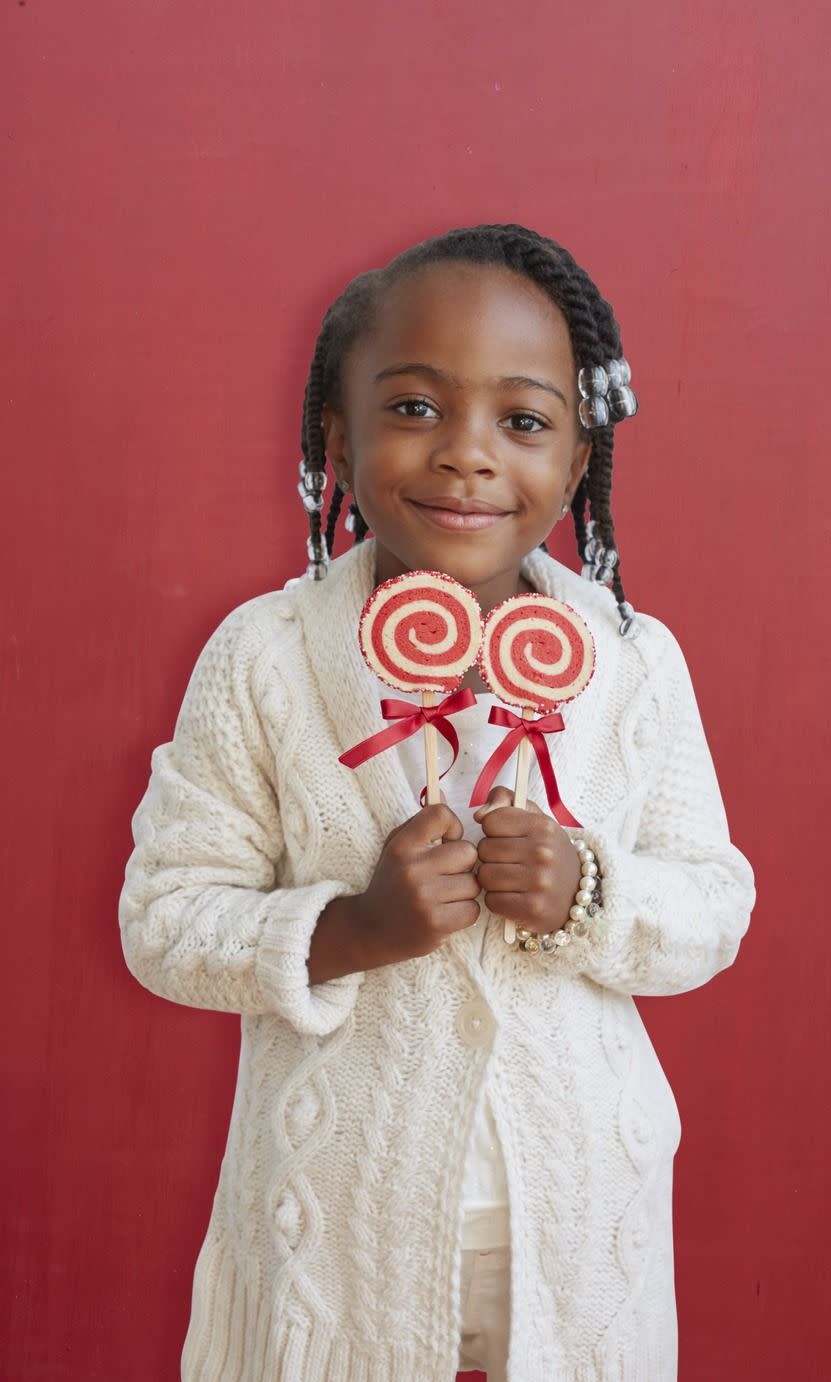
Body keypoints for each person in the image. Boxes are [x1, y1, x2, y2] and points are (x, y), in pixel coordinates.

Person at [118, 223, 757, 1382]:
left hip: (574, 1220)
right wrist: (347, 928)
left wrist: (590, 891)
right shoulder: (265, 657)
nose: (468, 456)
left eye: (522, 421)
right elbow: (165, 918)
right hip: (332, 1223)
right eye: (414, 407)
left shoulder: (633, 661)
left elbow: (713, 900)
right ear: (336, 434)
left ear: (574, 466)